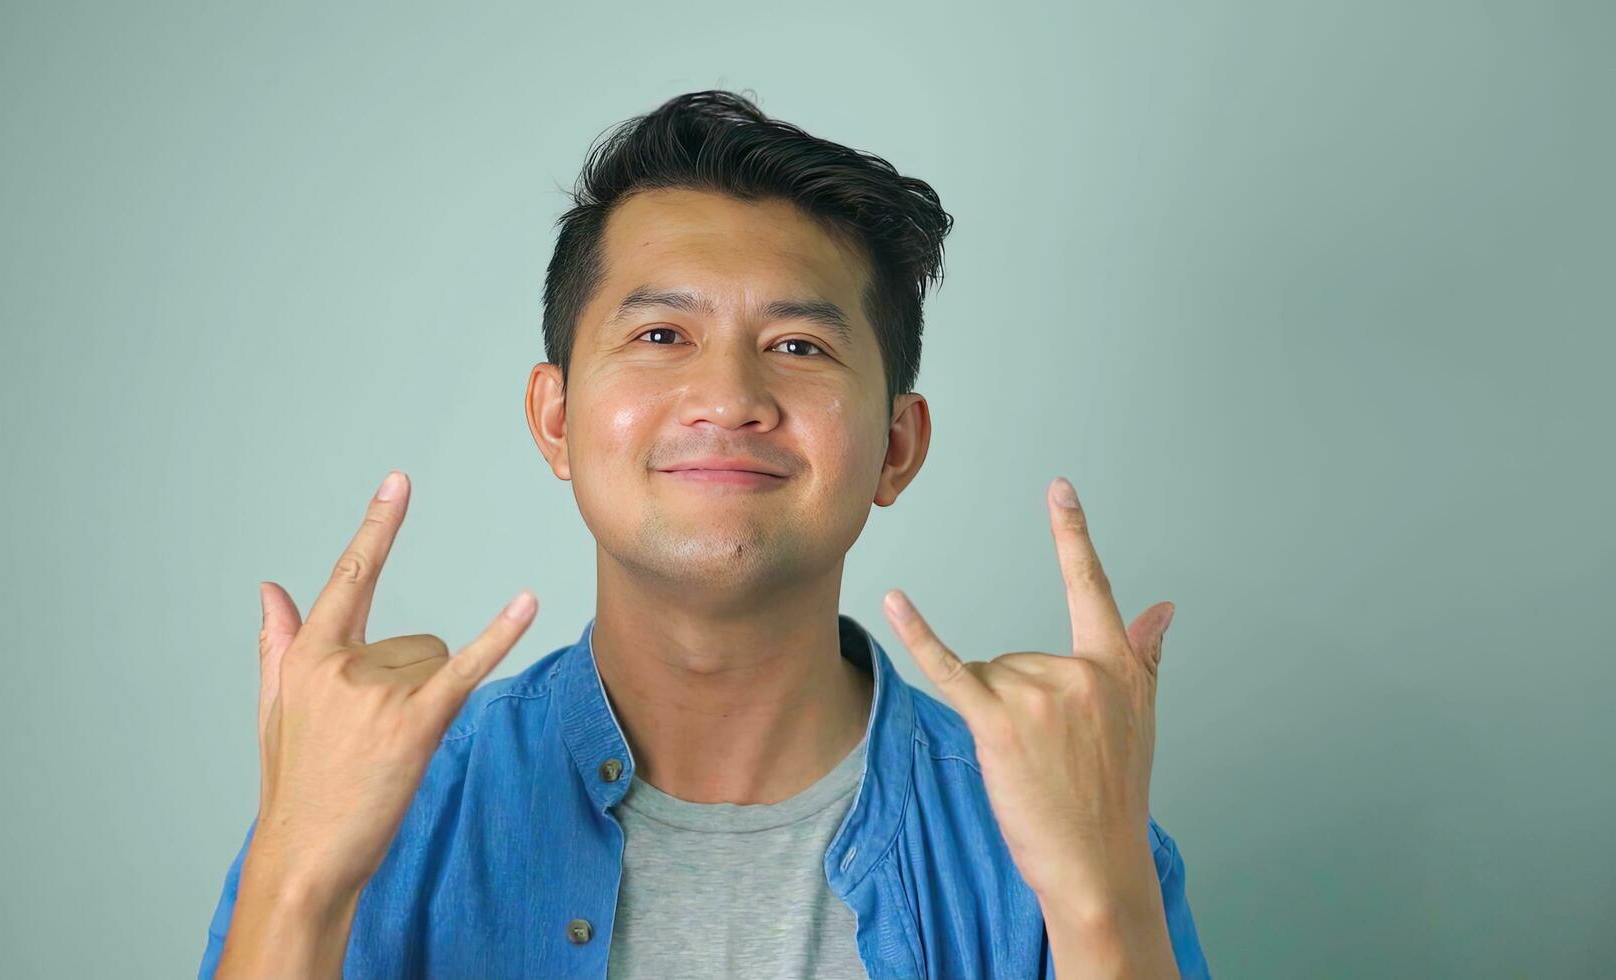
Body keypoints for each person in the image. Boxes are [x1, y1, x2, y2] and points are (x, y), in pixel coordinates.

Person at [198, 89, 1211, 979]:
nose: (727, 397)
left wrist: (1099, 904)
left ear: (896, 445)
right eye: (658, 336)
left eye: (797, 345)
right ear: (555, 418)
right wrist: (296, 879)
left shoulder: (1066, 819)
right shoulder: (376, 800)